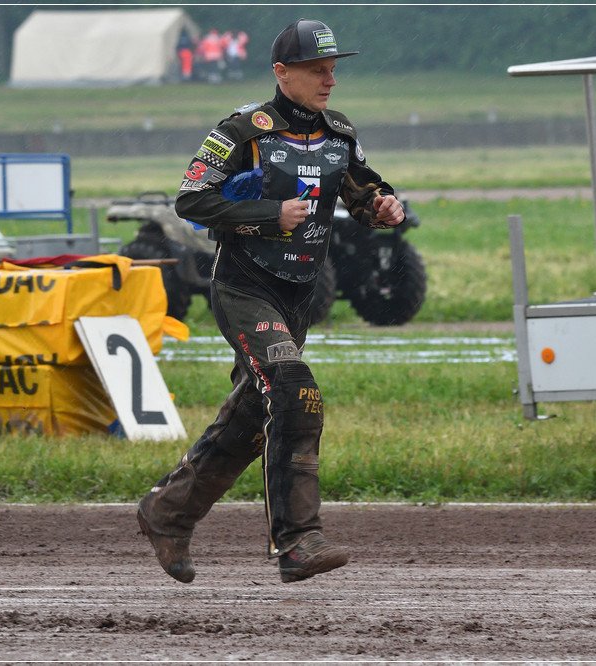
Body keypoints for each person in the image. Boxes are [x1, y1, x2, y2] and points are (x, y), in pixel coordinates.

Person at [136, 19, 405, 584]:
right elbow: (190, 199)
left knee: (253, 419)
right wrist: (266, 215)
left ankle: (167, 513)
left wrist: (382, 206)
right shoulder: (241, 131)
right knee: (295, 389)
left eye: (333, 68)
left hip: (298, 296)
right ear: (282, 73)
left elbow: (361, 189)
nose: (329, 78)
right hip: (243, 288)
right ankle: (298, 542)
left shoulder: (340, 131)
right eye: (316, 69)